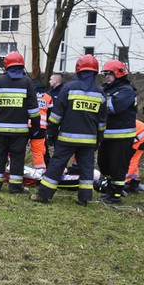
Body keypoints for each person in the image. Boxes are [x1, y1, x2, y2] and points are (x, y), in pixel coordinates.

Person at [31, 55, 107, 206]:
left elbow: (56, 115)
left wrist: (51, 133)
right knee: (86, 169)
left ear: (78, 69)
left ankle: (43, 195)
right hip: (89, 140)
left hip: (66, 139)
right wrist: (98, 140)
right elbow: (102, 122)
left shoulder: (69, 88)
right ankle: (84, 198)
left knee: (56, 166)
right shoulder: (100, 93)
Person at [0, 51, 41, 194]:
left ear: (6, 66)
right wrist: (35, 127)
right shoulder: (27, 82)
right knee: (17, 158)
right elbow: (34, 110)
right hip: (20, 131)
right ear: (21, 66)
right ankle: (15, 186)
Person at [98, 60, 138, 204]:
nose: (106, 77)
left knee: (117, 167)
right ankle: (109, 189)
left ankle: (116, 195)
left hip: (122, 136)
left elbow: (113, 107)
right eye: (105, 74)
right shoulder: (107, 89)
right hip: (107, 135)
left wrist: (98, 101)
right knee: (103, 164)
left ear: (118, 74)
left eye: (109, 74)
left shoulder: (126, 90)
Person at [29, 79, 53, 170]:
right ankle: (40, 172)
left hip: (27, 125)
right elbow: (50, 114)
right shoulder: (48, 97)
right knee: (38, 152)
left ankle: (13, 169)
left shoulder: (29, 95)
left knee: (18, 150)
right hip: (41, 127)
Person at [124, 119, 144, 193]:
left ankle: (125, 181)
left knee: (131, 158)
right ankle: (134, 180)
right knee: (133, 157)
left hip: (142, 135)